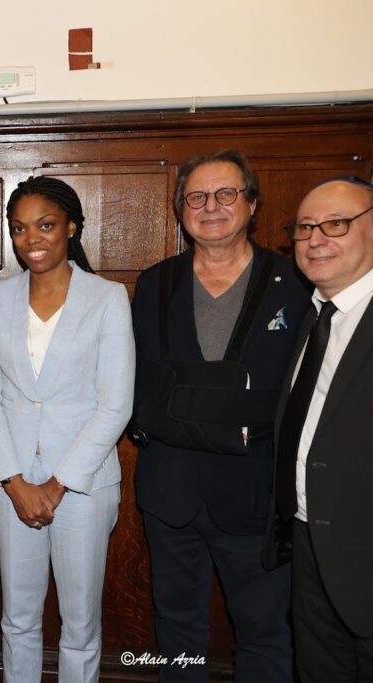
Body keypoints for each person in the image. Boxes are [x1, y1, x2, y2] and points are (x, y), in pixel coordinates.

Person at [131, 149, 309, 681]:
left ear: (252, 203)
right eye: (197, 197)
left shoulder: (296, 284)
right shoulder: (153, 284)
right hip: (171, 492)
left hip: (255, 496)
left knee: (263, 630)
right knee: (176, 625)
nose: (212, 207)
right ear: (181, 209)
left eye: (226, 194)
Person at [0, 176, 133, 682]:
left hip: (83, 486)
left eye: (45, 225)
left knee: (80, 623)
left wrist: (57, 484)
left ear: (71, 226)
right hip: (11, 480)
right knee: (18, 618)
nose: (32, 240)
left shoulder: (108, 298)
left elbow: (116, 404)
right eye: (19, 229)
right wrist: (15, 481)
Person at [265, 176, 373, 681]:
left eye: (336, 224)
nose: (315, 239)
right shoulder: (316, 315)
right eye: (305, 227)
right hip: (310, 549)